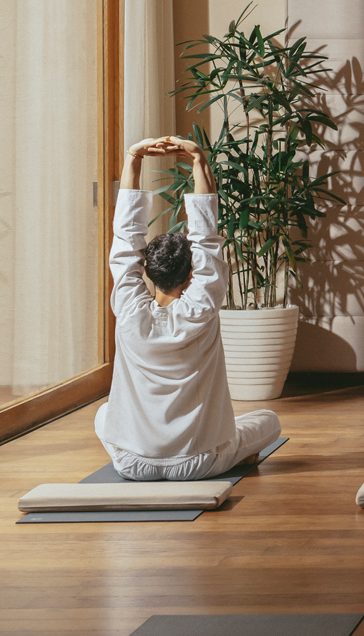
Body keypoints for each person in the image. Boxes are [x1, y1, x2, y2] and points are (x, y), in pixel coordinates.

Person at [94, 136, 280, 481]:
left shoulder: (130, 312)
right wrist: (198, 159)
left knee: (104, 414)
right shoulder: (202, 308)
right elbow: (207, 237)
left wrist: (134, 157)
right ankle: (235, 453)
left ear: (145, 270)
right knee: (268, 420)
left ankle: (144, 449)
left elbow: (125, 242)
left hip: (132, 464)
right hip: (200, 462)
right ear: (193, 273)